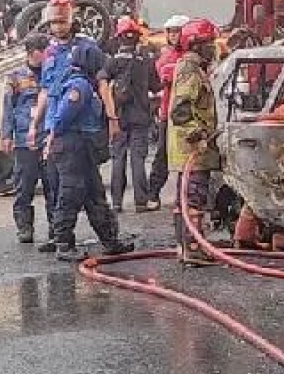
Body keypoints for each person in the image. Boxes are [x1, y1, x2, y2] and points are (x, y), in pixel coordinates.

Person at [26, 0, 114, 259]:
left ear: (72, 19)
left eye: (61, 21)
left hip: (84, 129)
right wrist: (36, 126)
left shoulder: (87, 49)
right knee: (68, 189)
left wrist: (113, 118)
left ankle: (110, 239)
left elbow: (103, 83)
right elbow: (46, 90)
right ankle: (63, 241)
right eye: (52, 22)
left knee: (93, 190)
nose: (57, 27)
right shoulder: (50, 51)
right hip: (61, 131)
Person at [40, 44, 134, 262]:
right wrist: (53, 138)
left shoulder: (83, 84)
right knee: (71, 193)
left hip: (82, 148)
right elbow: (62, 118)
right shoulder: (79, 86)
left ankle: (110, 240)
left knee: (95, 194)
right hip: (72, 146)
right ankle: (63, 244)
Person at [167, 17, 221, 266]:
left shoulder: (194, 68)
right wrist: (198, 135)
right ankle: (191, 247)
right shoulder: (190, 70)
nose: (214, 47)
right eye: (210, 42)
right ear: (197, 44)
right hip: (192, 150)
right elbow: (180, 110)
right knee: (194, 197)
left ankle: (186, 246)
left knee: (186, 197)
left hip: (189, 150)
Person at [99, 17, 161, 213]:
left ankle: (116, 203)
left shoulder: (113, 62)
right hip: (141, 116)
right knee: (138, 159)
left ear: (119, 38)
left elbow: (101, 80)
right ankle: (141, 202)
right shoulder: (146, 61)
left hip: (119, 117)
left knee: (118, 159)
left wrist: (110, 113)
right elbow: (156, 87)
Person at [3, 33, 54, 243]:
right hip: (25, 142)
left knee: (54, 186)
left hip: (49, 138)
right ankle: (24, 227)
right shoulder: (15, 77)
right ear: (34, 53)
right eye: (45, 52)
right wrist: (7, 135)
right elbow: (7, 107)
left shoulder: (53, 74)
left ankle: (56, 228)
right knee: (24, 186)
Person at [150, 15, 189, 204]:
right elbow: (160, 79)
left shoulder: (193, 57)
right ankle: (153, 194)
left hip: (190, 115)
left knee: (191, 158)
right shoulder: (165, 57)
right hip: (168, 112)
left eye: (178, 32)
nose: (174, 36)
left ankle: (187, 198)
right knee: (162, 155)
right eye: (171, 32)